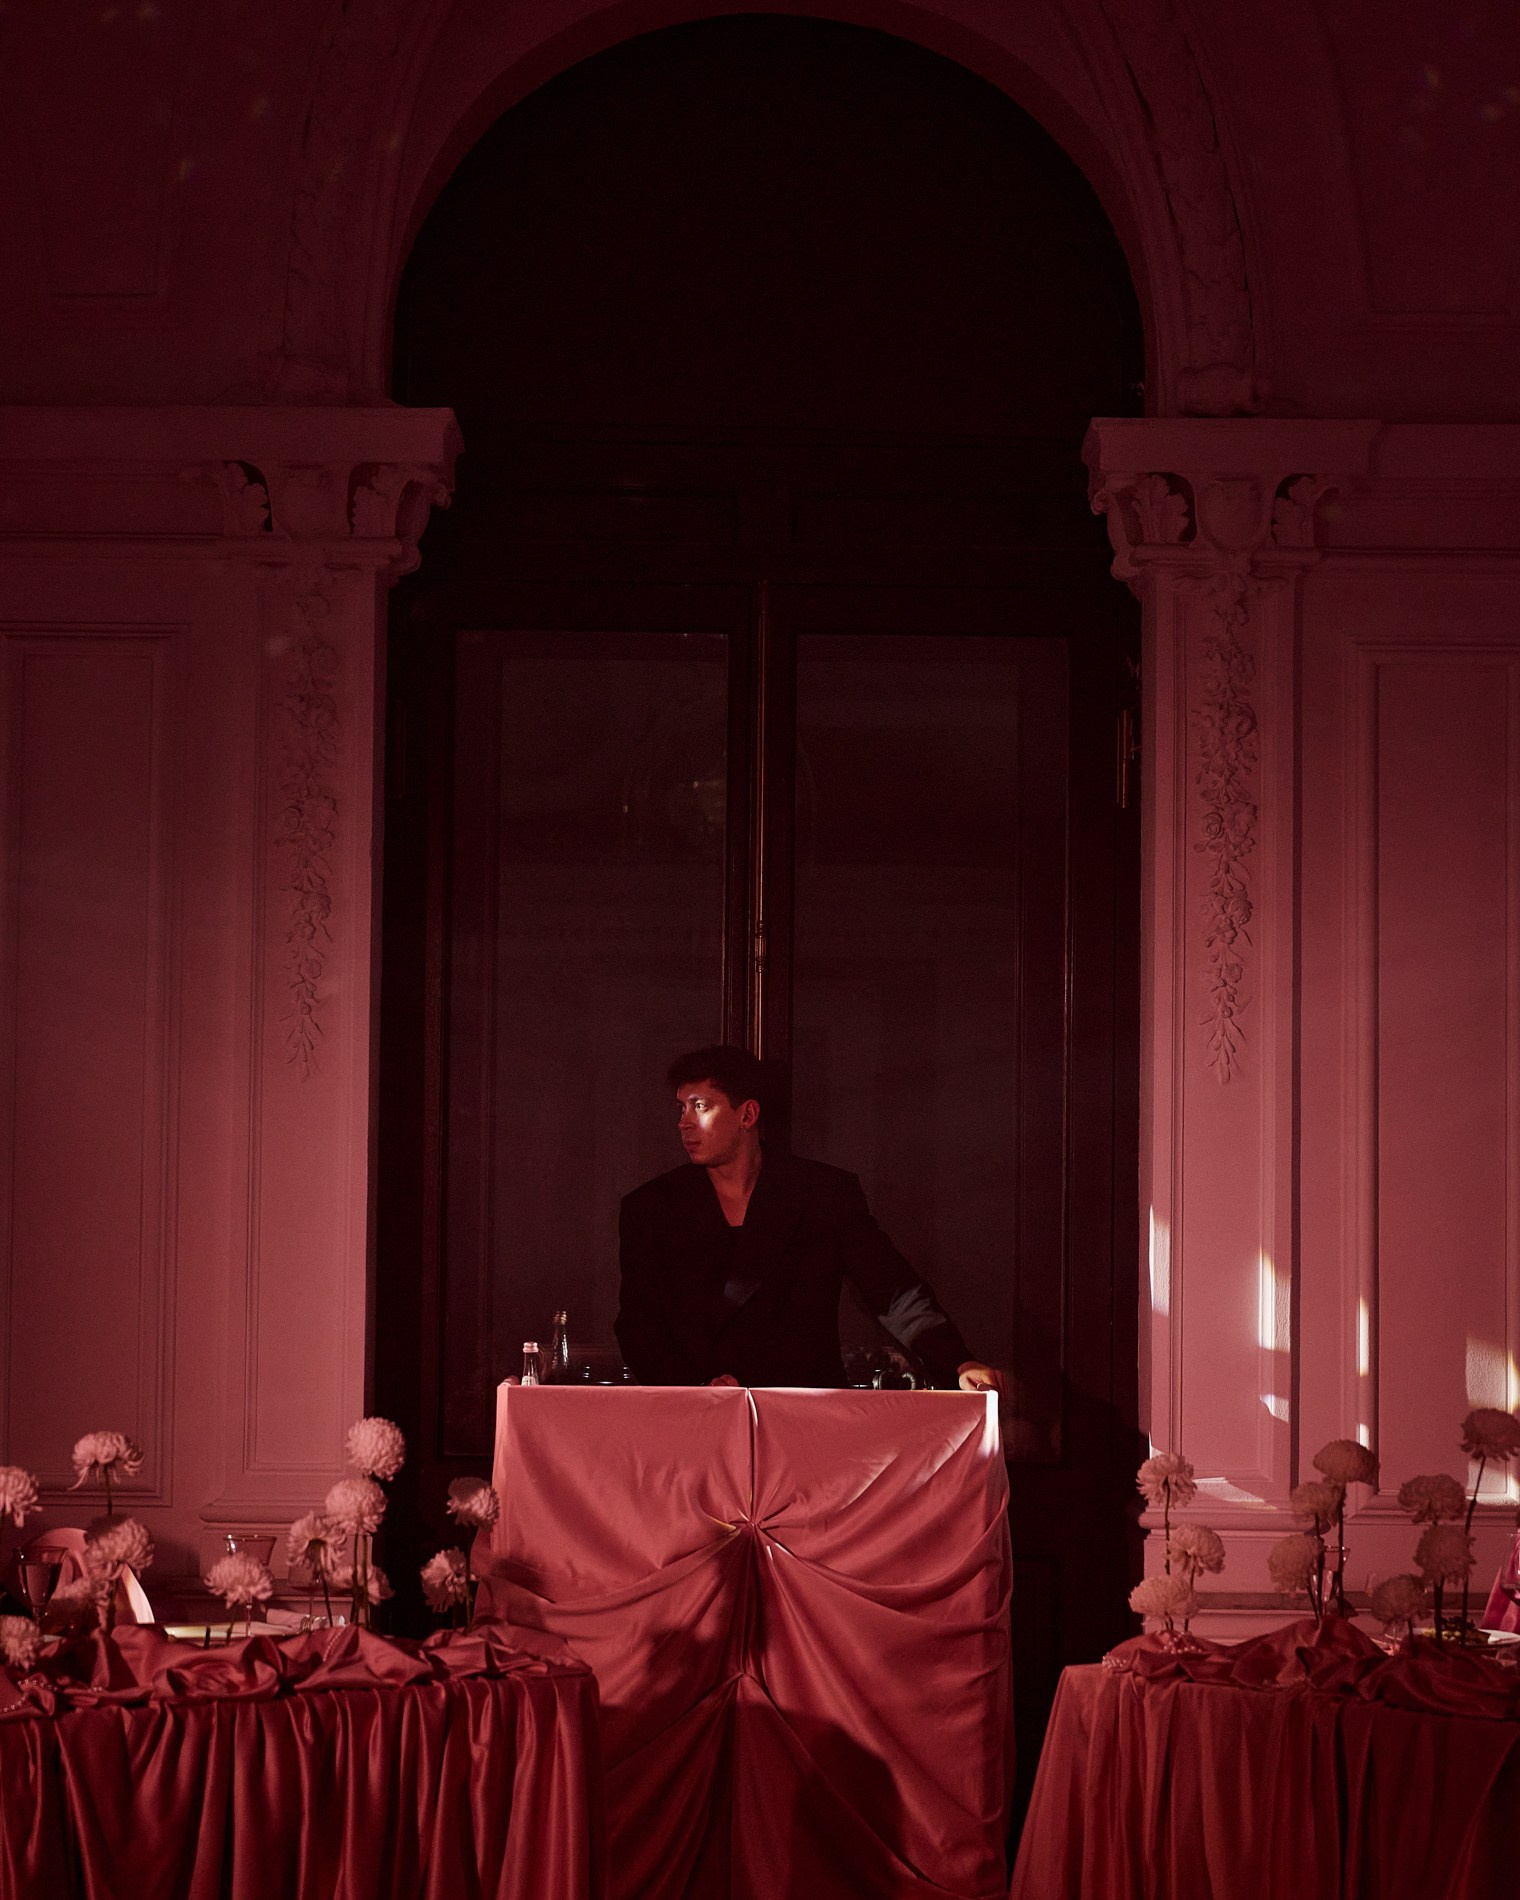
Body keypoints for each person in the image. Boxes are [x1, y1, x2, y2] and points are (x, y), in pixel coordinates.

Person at [615, 1045, 1000, 1391]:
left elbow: (891, 1289)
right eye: (681, 1108)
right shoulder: (650, 1208)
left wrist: (957, 1363)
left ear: (747, 1114)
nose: (684, 1122)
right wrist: (695, 1387)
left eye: (700, 1106)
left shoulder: (823, 1195)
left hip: (806, 1418)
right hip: (693, 1419)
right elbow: (637, 1324)